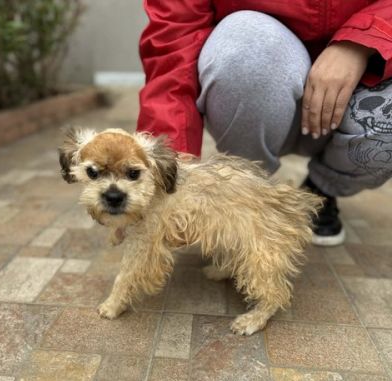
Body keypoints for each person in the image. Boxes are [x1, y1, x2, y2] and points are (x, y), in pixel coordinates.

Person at [137, 1, 392, 246]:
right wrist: (170, 172)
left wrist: (362, 42)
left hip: (356, 92)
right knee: (248, 43)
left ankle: (320, 190)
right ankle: (247, 189)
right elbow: (175, 42)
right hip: (254, 92)